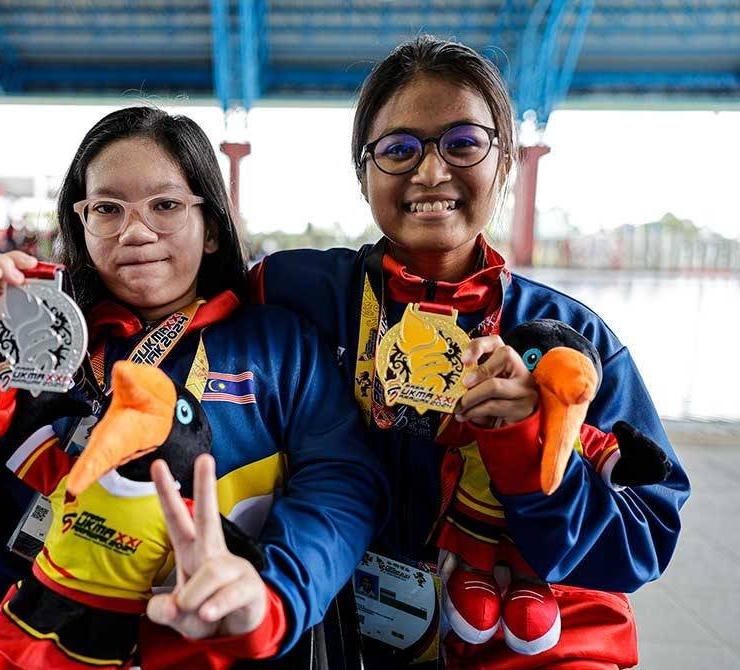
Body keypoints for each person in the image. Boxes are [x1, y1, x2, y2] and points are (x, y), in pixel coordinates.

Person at [0, 106, 385, 670]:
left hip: (196, 649)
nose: (135, 231)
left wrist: (271, 596)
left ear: (212, 227)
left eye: (166, 205)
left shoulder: (276, 346)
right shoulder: (37, 335)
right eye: (107, 208)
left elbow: (342, 483)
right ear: (82, 224)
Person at [253, 35, 689, 669]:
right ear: (363, 171)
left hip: (524, 648)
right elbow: (174, 305)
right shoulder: (295, 292)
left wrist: (535, 455)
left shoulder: (570, 341)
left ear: (505, 162)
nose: (431, 173)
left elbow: (641, 544)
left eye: (462, 143)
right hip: (343, 638)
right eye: (399, 150)